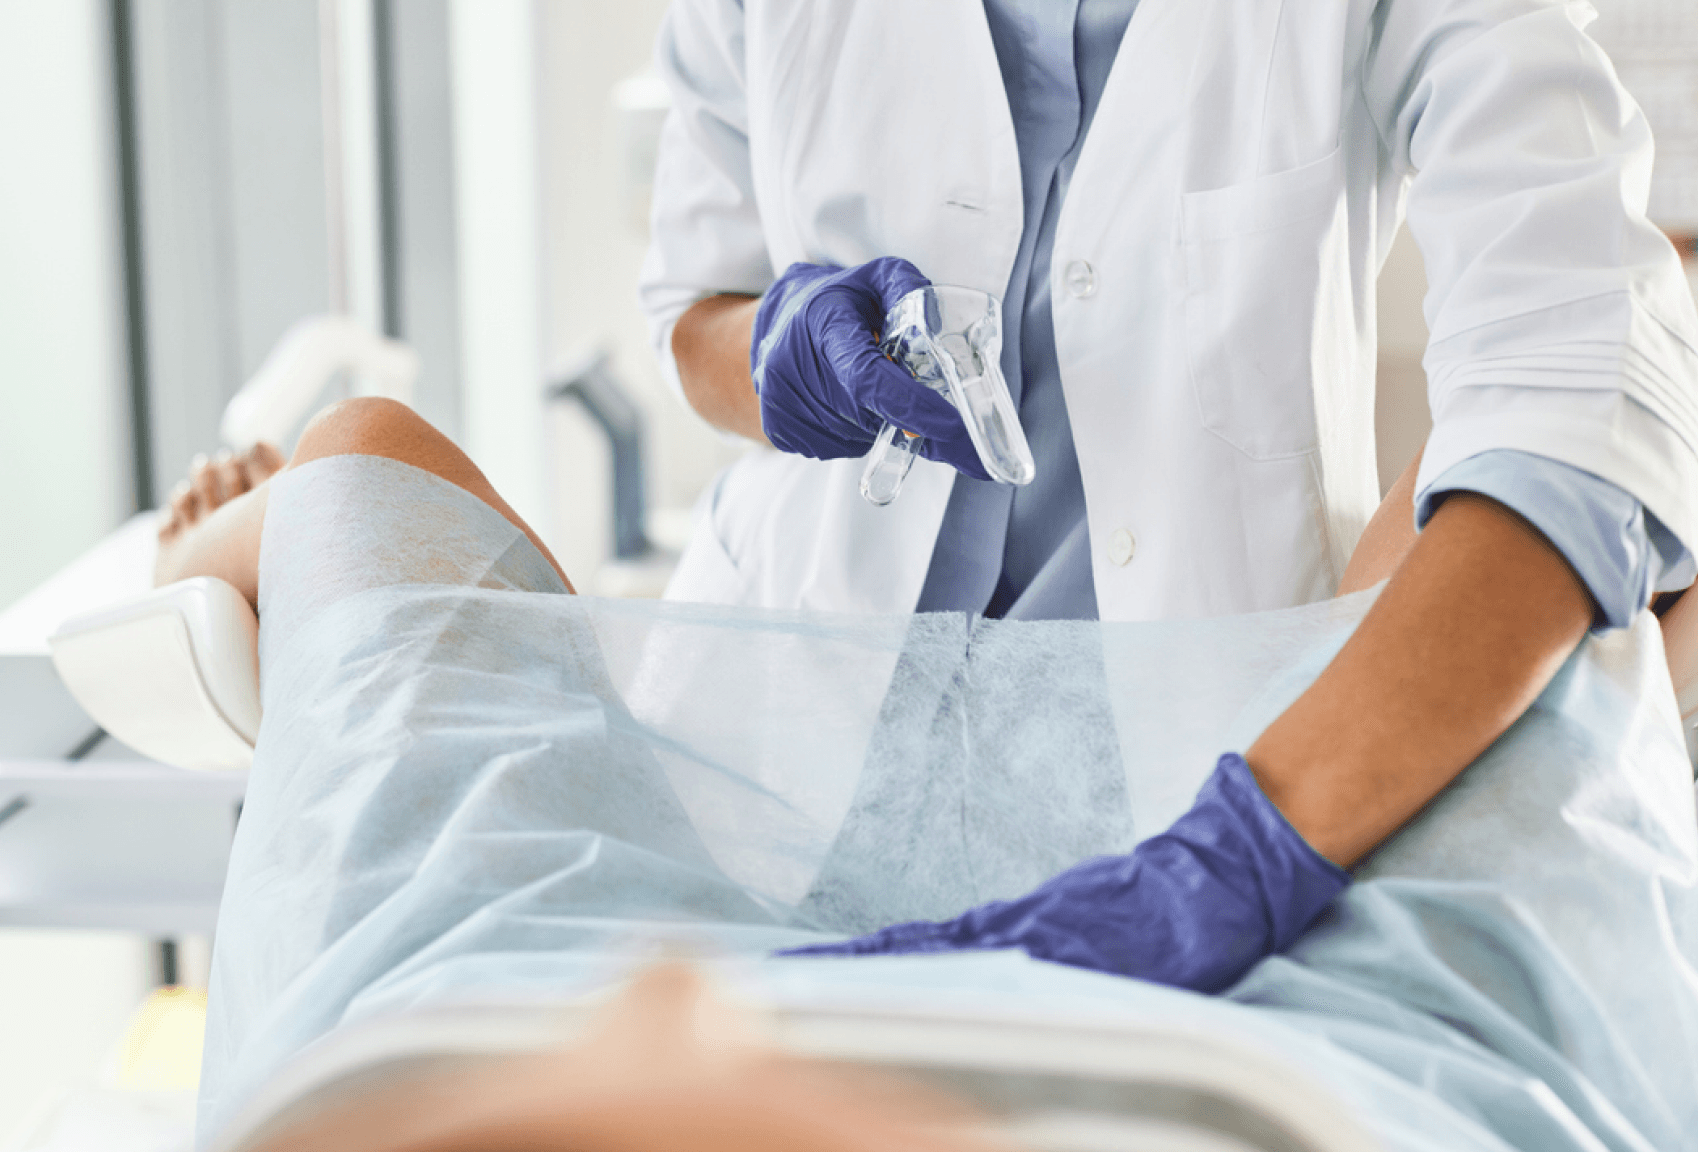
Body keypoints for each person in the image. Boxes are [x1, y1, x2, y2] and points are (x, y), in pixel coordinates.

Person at [161, 401, 1698, 1151]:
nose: (678, 1000)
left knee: (351, 471)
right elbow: (1559, 448)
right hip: (1307, 1065)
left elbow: (367, 457)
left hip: (503, 995)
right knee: (1519, 566)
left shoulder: (460, 1012)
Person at [635, 0, 1698, 956]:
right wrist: (779, 350)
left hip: (1204, 790)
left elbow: (1577, 362)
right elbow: (695, 308)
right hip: (775, 757)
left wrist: (1243, 855)